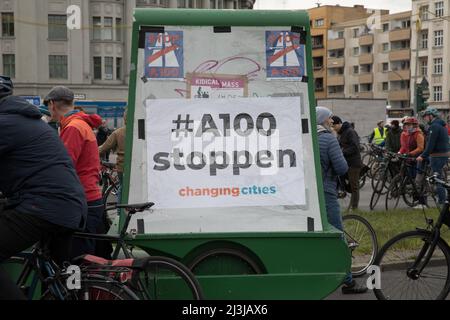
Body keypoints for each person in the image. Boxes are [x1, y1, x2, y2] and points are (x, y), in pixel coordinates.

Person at [0, 76, 87, 299]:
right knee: (60, 283)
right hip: (69, 206)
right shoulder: (29, 119)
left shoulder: (6, 123)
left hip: (43, 206)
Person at [45, 86, 105, 259]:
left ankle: (79, 287)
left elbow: (64, 166)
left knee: (77, 258)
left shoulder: (72, 128)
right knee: (83, 255)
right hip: (89, 197)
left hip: (82, 199)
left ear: (52, 105)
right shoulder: (80, 124)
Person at [316, 107, 367, 294]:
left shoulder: (308, 138)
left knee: (317, 235)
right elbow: (341, 167)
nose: (331, 122)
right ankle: (348, 282)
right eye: (329, 118)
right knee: (338, 234)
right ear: (322, 120)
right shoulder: (328, 139)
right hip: (327, 191)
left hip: (311, 193)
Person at [417, 107, 449, 207]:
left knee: (437, 178)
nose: (425, 119)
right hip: (442, 155)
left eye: (426, 116)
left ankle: (442, 202)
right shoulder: (441, 125)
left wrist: (422, 156)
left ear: (431, 116)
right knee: (439, 177)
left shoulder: (434, 126)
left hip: (437, 156)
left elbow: (431, 144)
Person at [331, 115, 362, 211]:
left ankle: (354, 208)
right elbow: (340, 144)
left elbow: (355, 147)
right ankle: (342, 190)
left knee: (354, 186)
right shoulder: (340, 133)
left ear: (339, 123)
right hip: (345, 163)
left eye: (334, 126)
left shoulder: (350, 132)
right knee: (340, 178)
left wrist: (342, 152)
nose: (333, 128)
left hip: (353, 163)